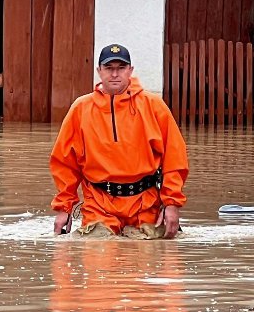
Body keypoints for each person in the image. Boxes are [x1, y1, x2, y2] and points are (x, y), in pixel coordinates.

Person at [50, 43, 188, 239]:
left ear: (130, 70)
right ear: (99, 71)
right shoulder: (80, 109)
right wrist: (64, 208)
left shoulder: (154, 106)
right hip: (99, 206)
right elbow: (65, 164)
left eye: (121, 68)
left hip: (146, 206)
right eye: (109, 68)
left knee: (155, 258)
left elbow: (175, 159)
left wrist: (172, 205)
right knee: (98, 259)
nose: (115, 74)